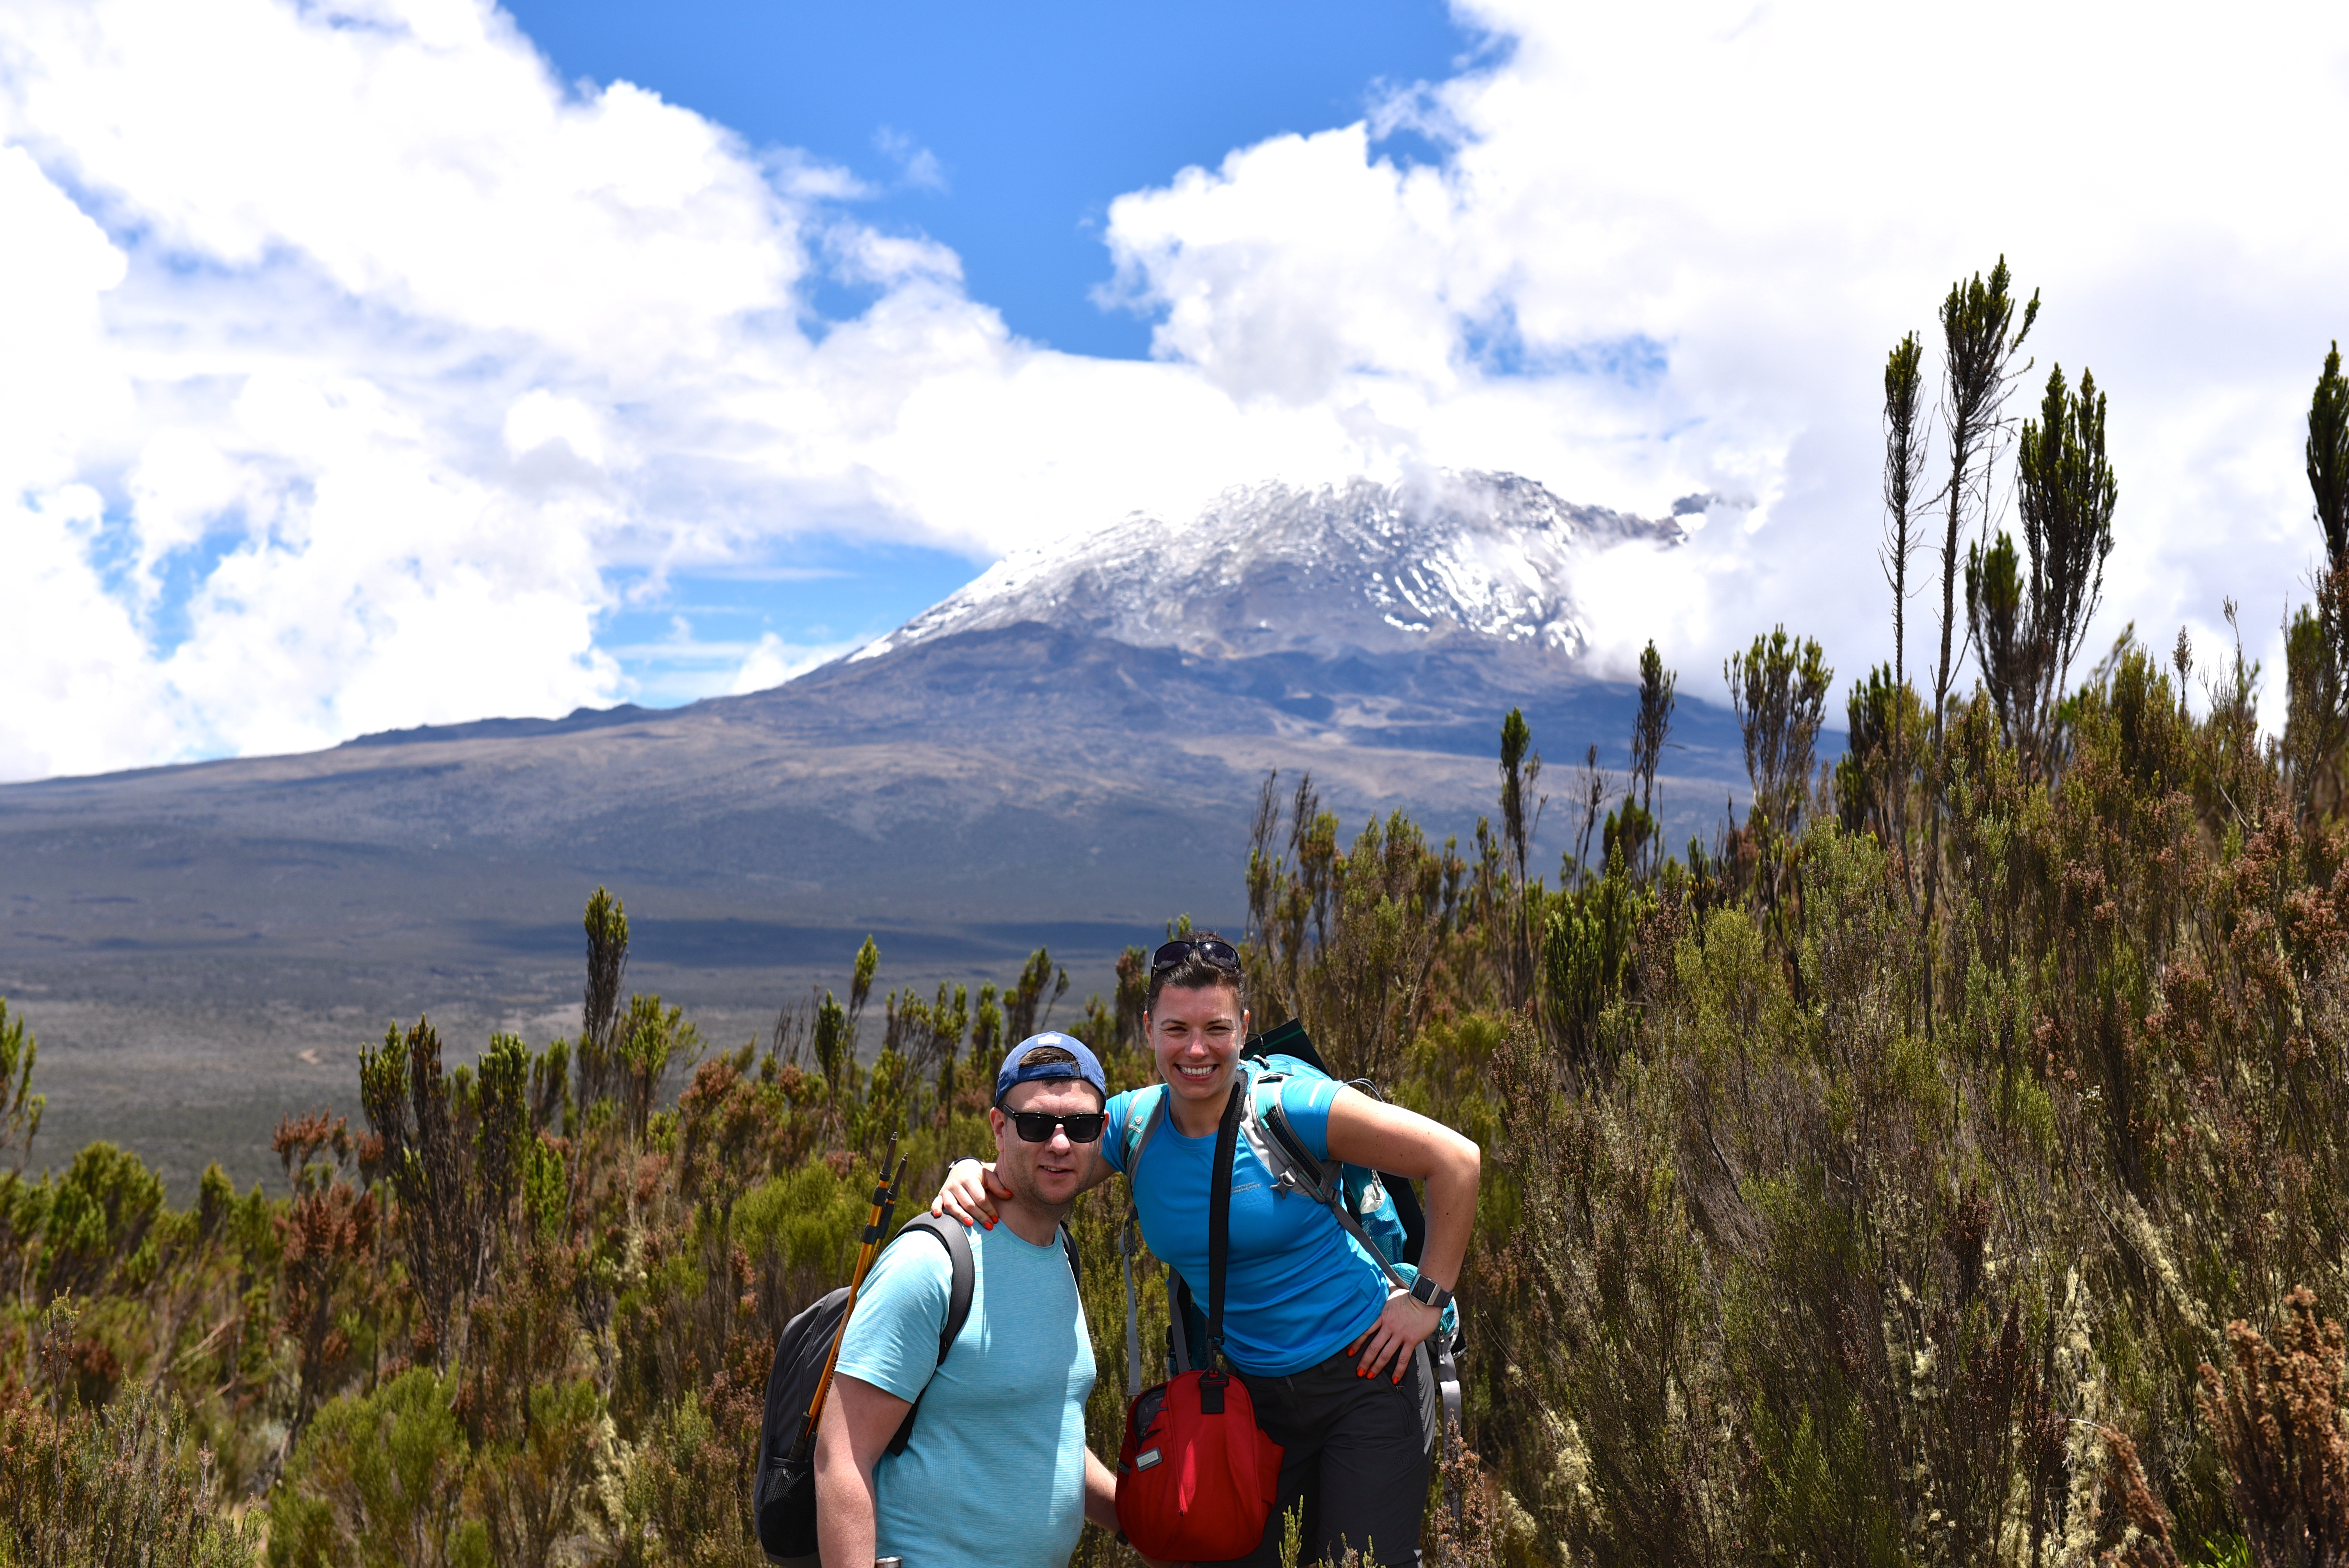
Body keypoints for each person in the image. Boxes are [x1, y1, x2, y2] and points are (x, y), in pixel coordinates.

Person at [933, 937, 1481, 1568]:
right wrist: (970, 1170)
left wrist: (1427, 1301)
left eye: (1217, 1028)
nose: (1196, 1050)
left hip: (1366, 1376)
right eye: (1177, 1029)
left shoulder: (1292, 1110)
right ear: (1149, 1030)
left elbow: (1457, 1162)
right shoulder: (1132, 1128)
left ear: (1243, 1028)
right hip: (1250, 1401)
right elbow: (1042, 1164)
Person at [817, 1033, 1154, 1568]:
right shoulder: (931, 1265)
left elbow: (1039, 1432)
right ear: (999, 1127)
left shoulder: (1062, 1254)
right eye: (1037, 1124)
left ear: (1101, 1134)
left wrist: (1141, 1525)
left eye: (1081, 1126)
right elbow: (841, 1460)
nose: (1060, 1144)